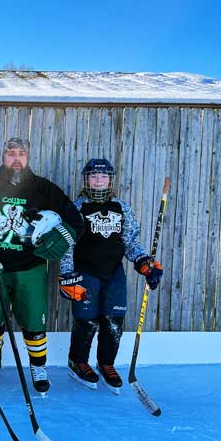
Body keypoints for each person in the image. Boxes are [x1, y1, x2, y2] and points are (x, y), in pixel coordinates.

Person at [0, 137, 85, 395]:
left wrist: (60, 238)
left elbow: (75, 223)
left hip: (29, 267)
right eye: (11, 153)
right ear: (3, 157)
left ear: (28, 157)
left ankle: (38, 366)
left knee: (34, 322)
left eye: (21, 153)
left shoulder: (44, 189)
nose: (16, 158)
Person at [59, 158, 163, 394]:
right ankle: (78, 361)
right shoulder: (77, 208)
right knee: (86, 321)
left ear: (110, 180)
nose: (98, 180)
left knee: (113, 322)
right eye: (94, 176)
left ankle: (106, 363)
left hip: (113, 273)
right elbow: (67, 245)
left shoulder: (122, 208)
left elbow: (130, 243)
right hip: (85, 272)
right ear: (86, 180)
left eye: (103, 176)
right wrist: (67, 274)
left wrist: (144, 263)